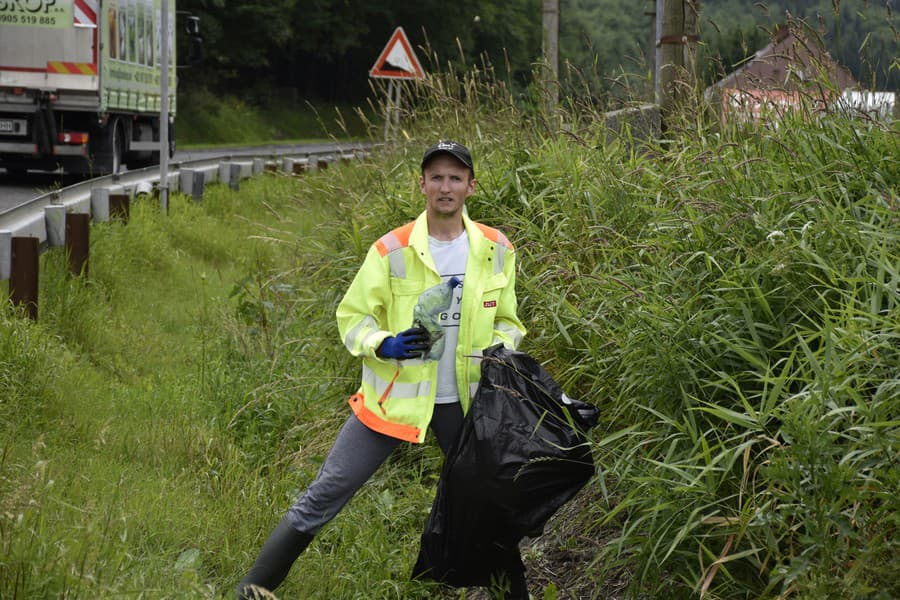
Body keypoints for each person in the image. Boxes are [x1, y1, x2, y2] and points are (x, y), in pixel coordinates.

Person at [236, 141, 527, 599]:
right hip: (394, 399)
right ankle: (252, 588)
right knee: (328, 490)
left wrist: (499, 350)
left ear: (471, 186)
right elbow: (352, 319)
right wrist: (383, 344)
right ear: (422, 185)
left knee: (486, 506)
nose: (445, 187)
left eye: (455, 177)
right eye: (436, 177)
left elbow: (509, 321)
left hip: (467, 405)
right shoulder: (390, 249)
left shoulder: (496, 248)